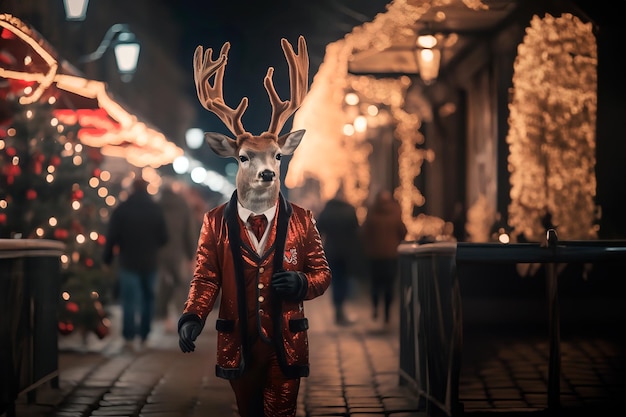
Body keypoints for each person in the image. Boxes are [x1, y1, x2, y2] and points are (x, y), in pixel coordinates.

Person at [103, 178, 168, 351]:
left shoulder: (122, 209)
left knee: (129, 300)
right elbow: (164, 237)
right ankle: (145, 335)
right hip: (149, 261)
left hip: (128, 261)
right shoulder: (155, 209)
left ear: (131, 188)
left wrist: (107, 259)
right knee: (148, 298)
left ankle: (129, 336)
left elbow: (112, 236)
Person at [155, 180, 198, 332]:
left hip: (159, 252)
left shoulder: (157, 205)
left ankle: (164, 316)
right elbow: (189, 232)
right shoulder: (182, 205)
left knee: (163, 284)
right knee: (181, 283)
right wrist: (191, 254)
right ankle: (180, 313)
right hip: (178, 252)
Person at [316, 186, 361, 325]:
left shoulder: (327, 210)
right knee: (345, 279)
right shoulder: (349, 210)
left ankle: (338, 310)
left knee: (336, 280)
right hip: (347, 251)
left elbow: (318, 230)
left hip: (332, 251)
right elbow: (356, 230)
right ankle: (341, 309)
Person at [361, 189, 407, 324]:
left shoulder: (371, 212)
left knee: (375, 283)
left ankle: (375, 307)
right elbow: (403, 231)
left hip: (374, 255)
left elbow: (364, 232)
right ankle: (387, 313)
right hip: (391, 255)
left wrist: (368, 246)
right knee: (389, 284)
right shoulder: (396, 211)